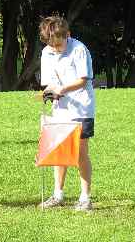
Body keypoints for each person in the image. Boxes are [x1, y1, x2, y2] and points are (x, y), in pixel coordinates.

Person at [38, 15, 95, 211]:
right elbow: (48, 82)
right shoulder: (46, 53)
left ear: (67, 35)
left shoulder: (79, 49)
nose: (56, 49)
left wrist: (62, 90)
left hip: (81, 107)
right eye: (52, 45)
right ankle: (58, 195)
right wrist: (48, 93)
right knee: (59, 151)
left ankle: (85, 198)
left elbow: (83, 80)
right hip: (60, 110)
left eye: (59, 45)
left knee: (80, 153)